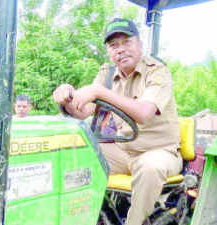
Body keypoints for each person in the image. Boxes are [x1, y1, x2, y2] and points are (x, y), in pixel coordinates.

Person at [53, 18, 182, 225]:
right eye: (113, 46)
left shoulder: (158, 72)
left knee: (150, 167)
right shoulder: (108, 74)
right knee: (74, 152)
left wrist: (99, 92)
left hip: (159, 152)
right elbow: (83, 111)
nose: (120, 50)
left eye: (126, 42)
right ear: (109, 52)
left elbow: (144, 113)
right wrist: (67, 96)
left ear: (139, 44)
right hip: (123, 152)